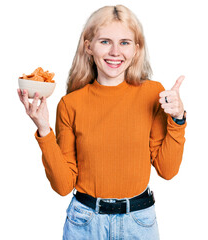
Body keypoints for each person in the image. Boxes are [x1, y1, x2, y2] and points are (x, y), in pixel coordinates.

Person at [17, 4, 187, 240]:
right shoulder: (70, 104)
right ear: (88, 46)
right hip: (84, 222)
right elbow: (63, 186)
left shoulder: (153, 94)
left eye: (125, 42)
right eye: (105, 41)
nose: (115, 52)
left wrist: (177, 119)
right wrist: (44, 130)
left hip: (139, 222)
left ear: (137, 49)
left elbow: (167, 171)